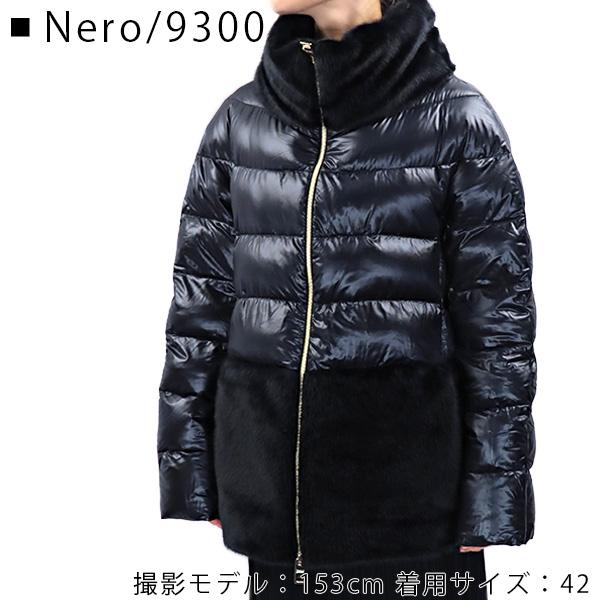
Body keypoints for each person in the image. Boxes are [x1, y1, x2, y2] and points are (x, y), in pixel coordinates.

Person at [157, 0, 537, 598]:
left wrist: (495, 497)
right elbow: (198, 308)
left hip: (415, 509)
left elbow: (498, 327)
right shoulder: (241, 121)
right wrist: (192, 472)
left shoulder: (458, 122)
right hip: (274, 503)